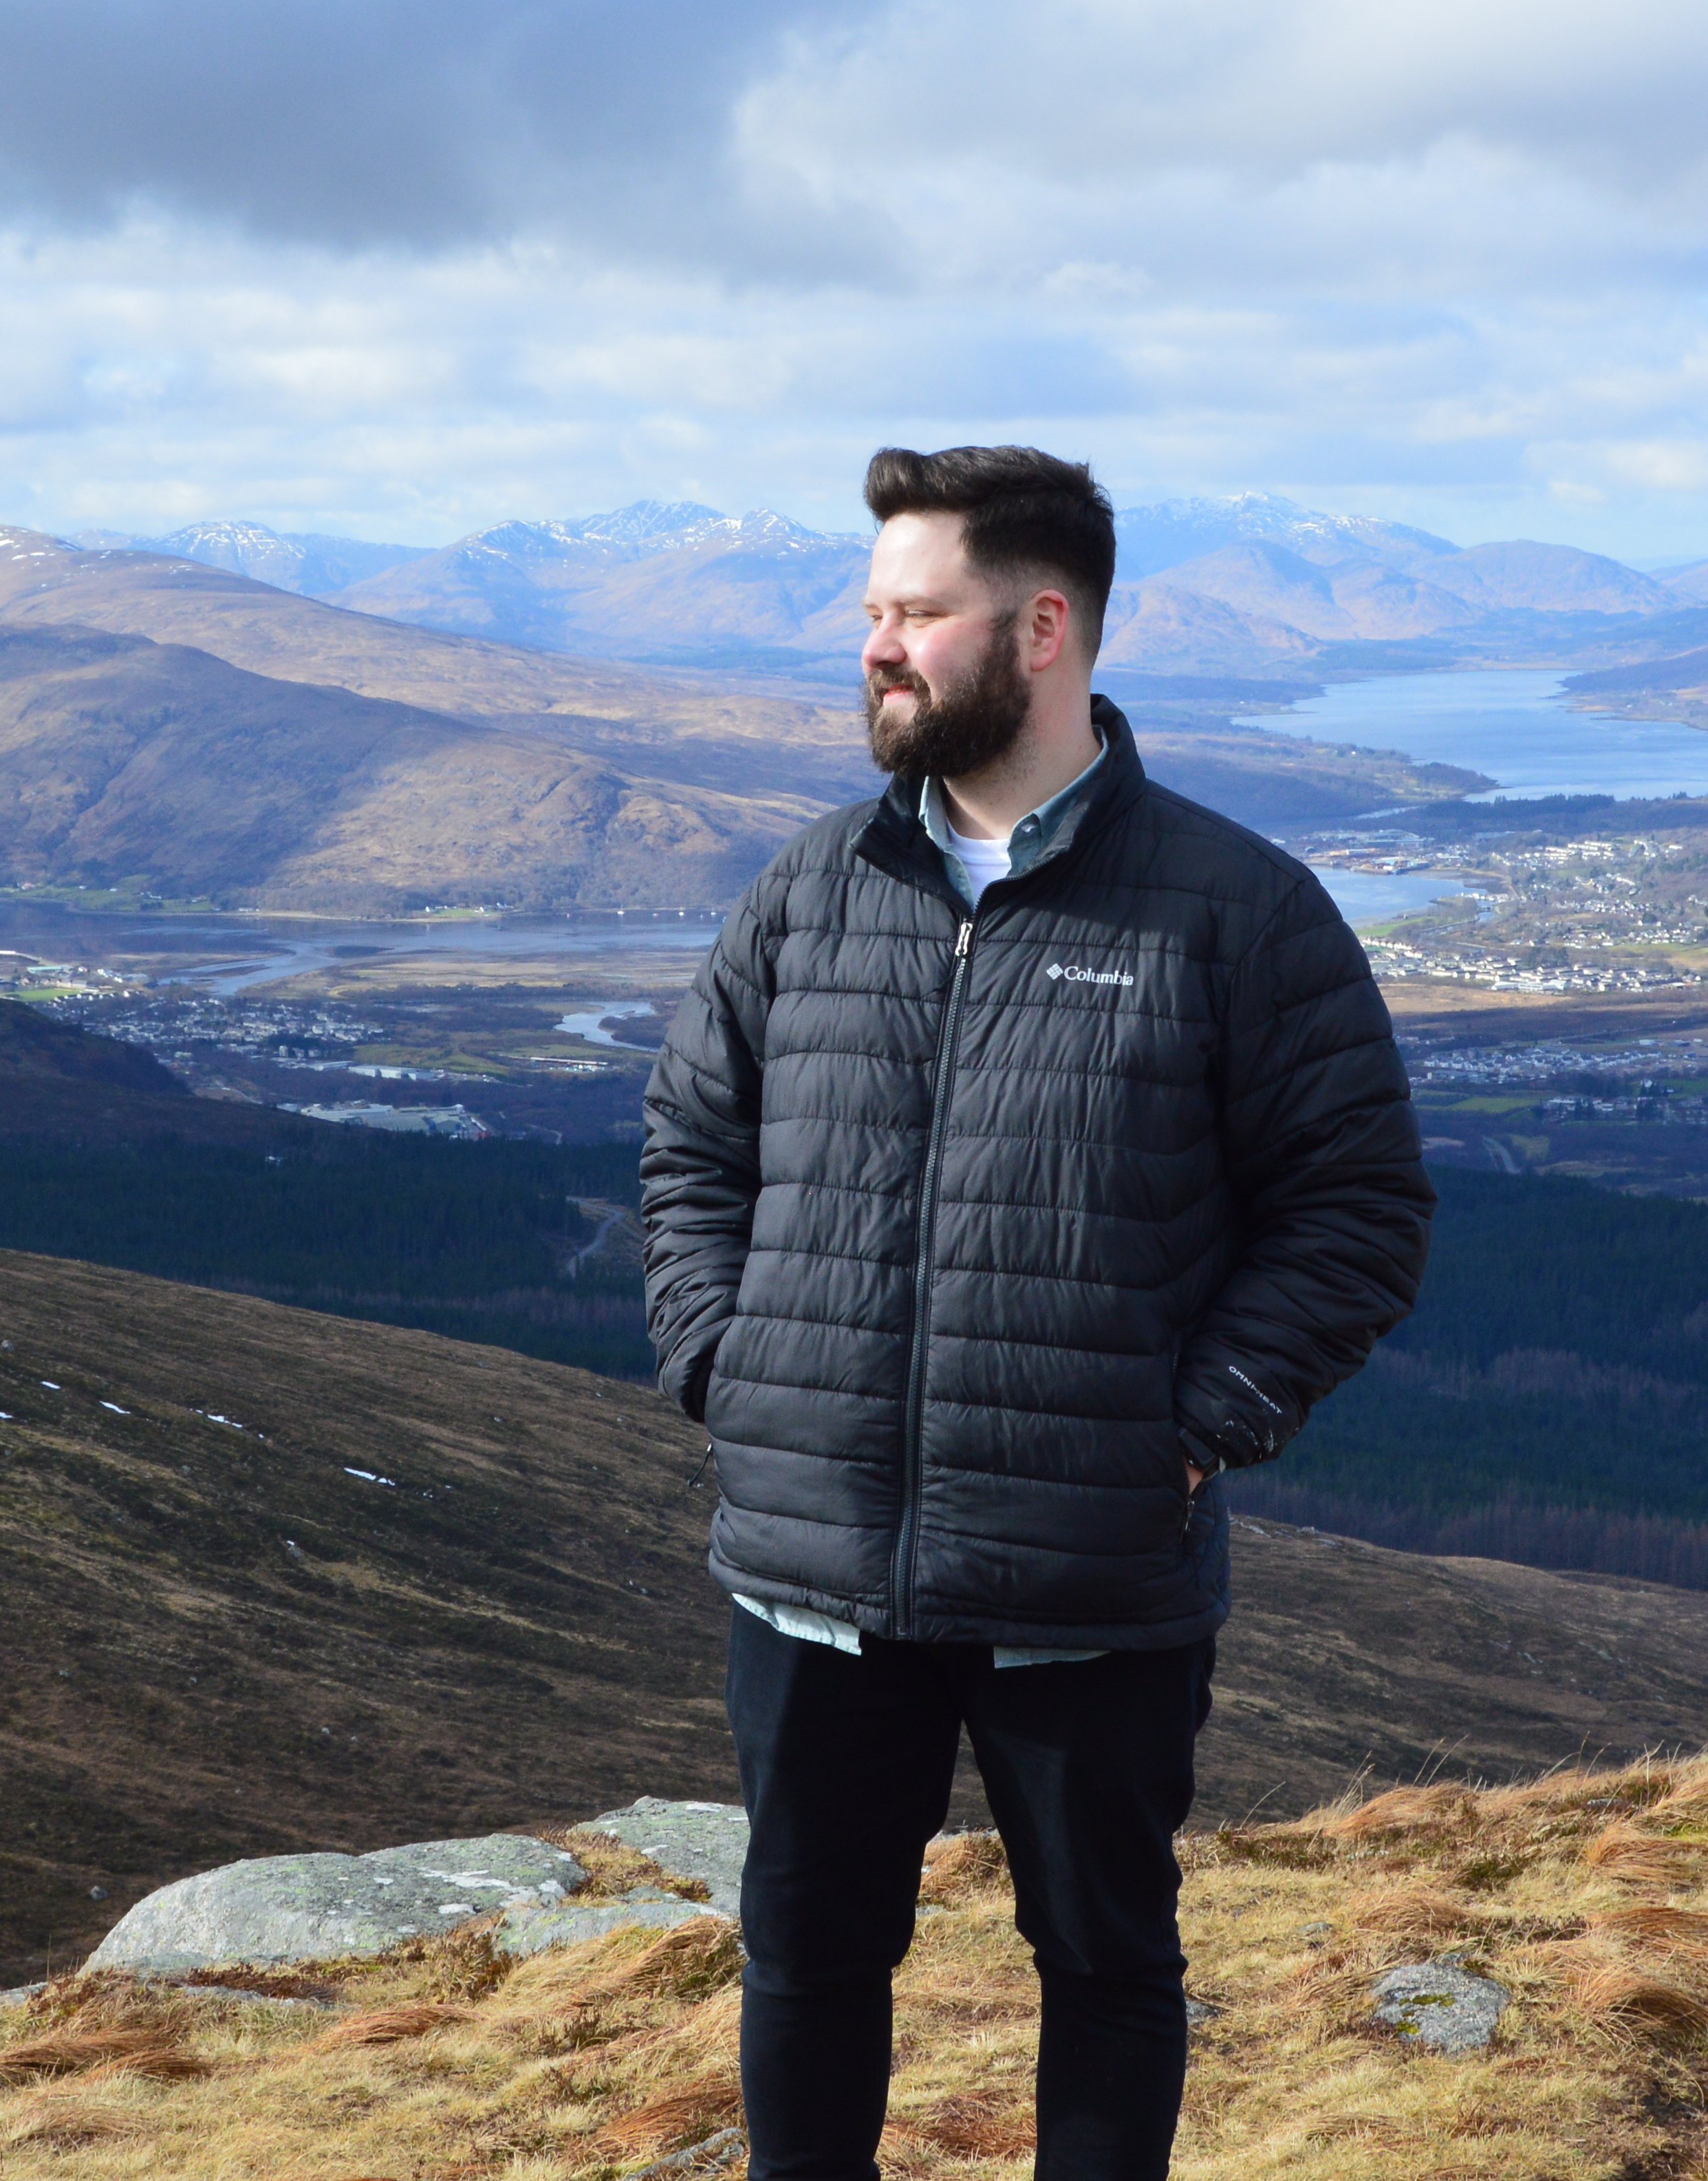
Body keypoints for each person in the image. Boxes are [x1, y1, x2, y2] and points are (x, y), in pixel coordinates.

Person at [639, 444, 1434, 2181]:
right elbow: (692, 1148)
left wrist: (1190, 1425)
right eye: (870, 611)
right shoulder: (809, 888)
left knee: (1103, 1965)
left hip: (1090, 1575)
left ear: (1043, 625)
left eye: (915, 611)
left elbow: (1358, 1208)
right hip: (815, 1564)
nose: (875, 646)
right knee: (809, 1955)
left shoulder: (1233, 910)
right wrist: (728, 1361)